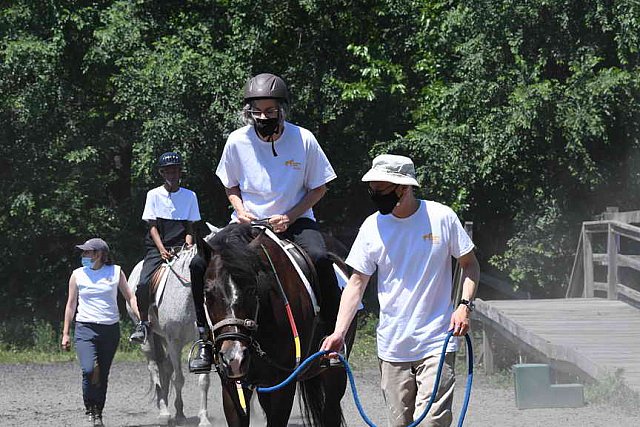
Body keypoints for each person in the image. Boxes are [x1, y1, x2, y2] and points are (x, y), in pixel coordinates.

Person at [188, 72, 340, 373]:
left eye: (270, 111)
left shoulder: (303, 139)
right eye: (257, 111)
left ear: (281, 110)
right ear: (249, 112)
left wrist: (291, 215)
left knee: (321, 259)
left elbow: (320, 187)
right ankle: (205, 339)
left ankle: (332, 338)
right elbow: (230, 185)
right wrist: (240, 209)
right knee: (198, 264)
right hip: (246, 223)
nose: (263, 116)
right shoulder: (236, 141)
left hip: (294, 221)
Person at [320, 154, 480, 427]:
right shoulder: (372, 226)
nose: (374, 195)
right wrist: (339, 333)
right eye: (372, 189)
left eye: (381, 189)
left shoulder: (442, 217)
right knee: (399, 423)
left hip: (437, 342)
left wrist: (464, 306)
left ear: (404, 188)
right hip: (392, 346)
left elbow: (470, 265)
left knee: (431, 423)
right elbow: (356, 284)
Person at [62, 238, 142, 426]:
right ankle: (89, 406)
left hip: (110, 329)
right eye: (83, 253)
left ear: (99, 254)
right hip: (85, 328)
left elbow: (130, 297)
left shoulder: (115, 272)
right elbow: (71, 305)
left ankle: (98, 412)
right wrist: (65, 332)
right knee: (89, 369)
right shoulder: (77, 275)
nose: (83, 256)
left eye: (87, 252)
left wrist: (141, 318)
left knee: (102, 372)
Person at [129, 151, 201, 343]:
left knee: (205, 275)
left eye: (175, 171)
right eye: (168, 171)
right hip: (157, 247)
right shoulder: (153, 195)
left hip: (183, 247)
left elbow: (190, 226)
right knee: (143, 282)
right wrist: (161, 249)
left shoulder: (190, 196)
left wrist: (188, 244)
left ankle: (205, 324)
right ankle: (143, 323)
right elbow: (152, 226)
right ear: (162, 173)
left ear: (180, 172)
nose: (172, 175)